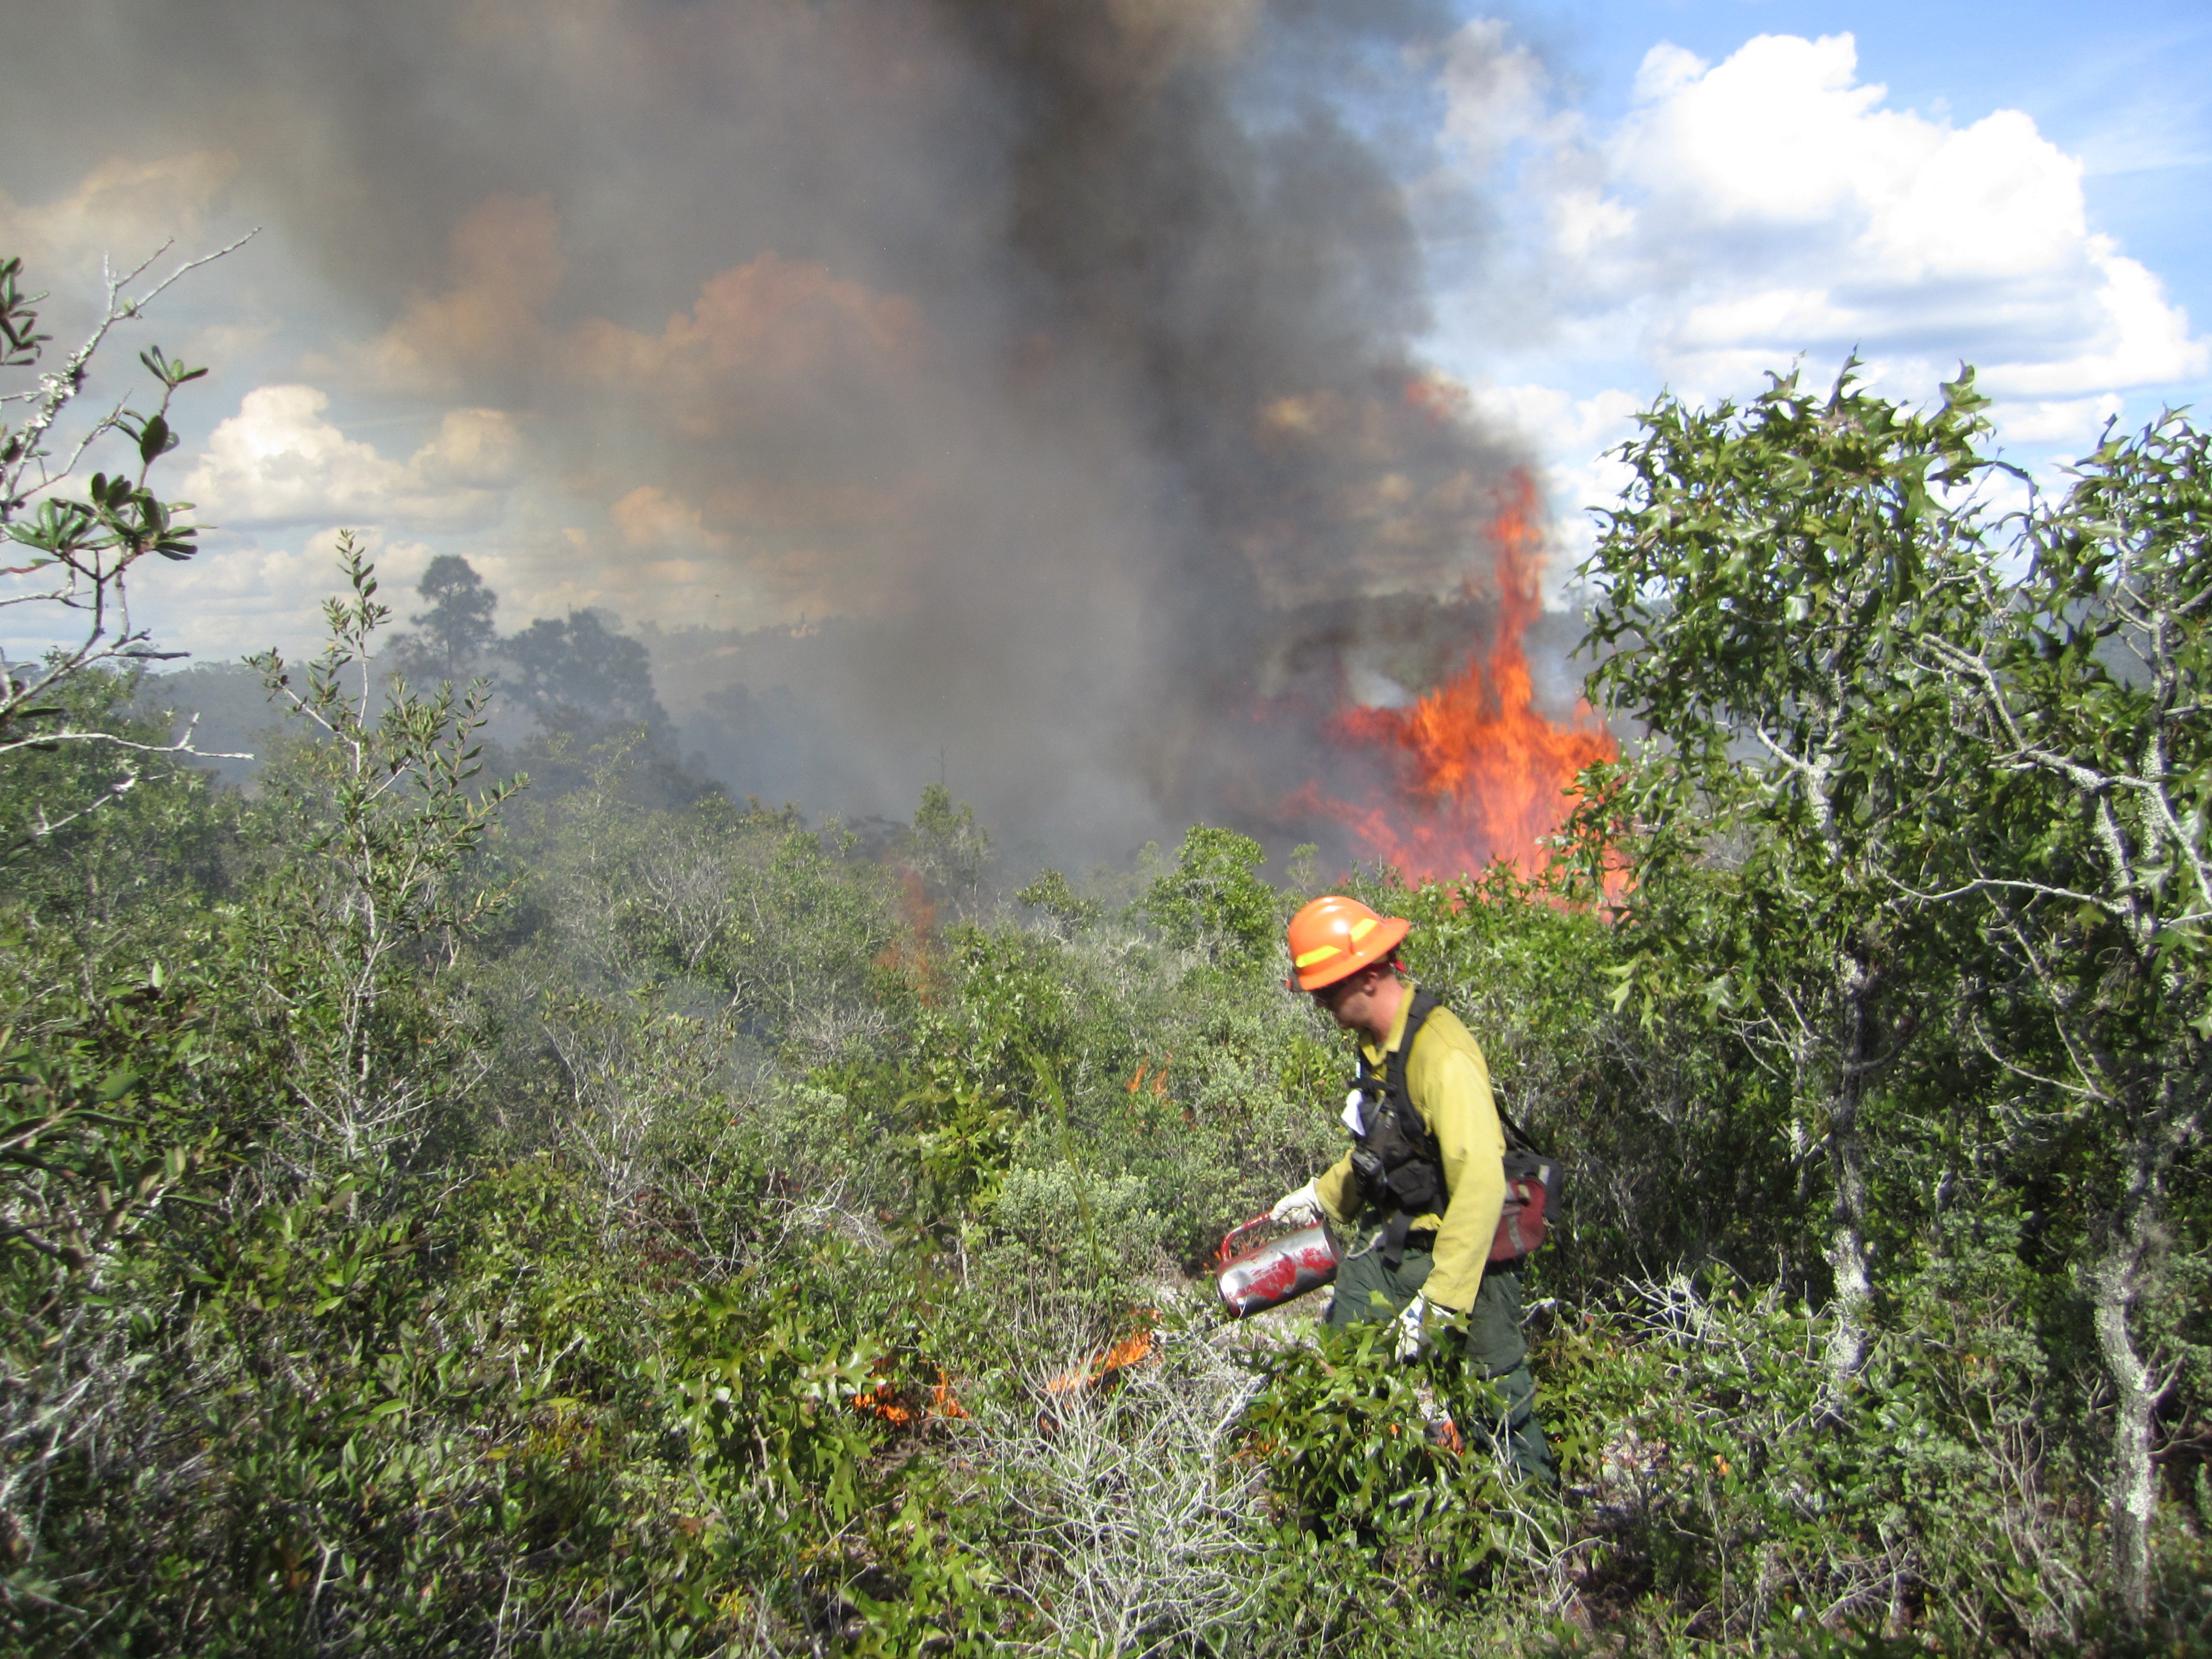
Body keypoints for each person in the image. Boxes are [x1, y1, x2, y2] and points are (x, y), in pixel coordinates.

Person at [1271, 893, 1554, 1485]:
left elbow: (1479, 1183)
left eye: (1328, 987)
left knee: (1497, 1411)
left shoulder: (1443, 1054)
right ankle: (1346, 1529)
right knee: (1338, 1373)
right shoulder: (1378, 1046)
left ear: (1372, 975)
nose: (1320, 1002)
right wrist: (1324, 1197)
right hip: (1396, 1246)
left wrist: (1443, 1301)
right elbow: (1386, 1145)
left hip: (1469, 1259)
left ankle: (1534, 1540)